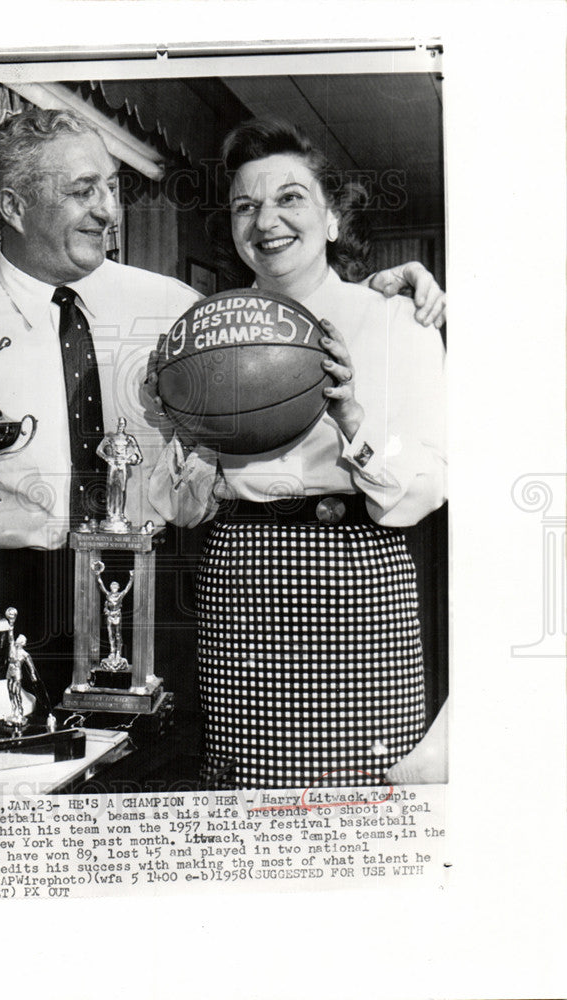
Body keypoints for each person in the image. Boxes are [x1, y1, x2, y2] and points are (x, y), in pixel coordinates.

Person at [0, 107, 446, 704]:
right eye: (83, 192)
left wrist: (378, 295)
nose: (109, 210)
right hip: (2, 594)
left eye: (111, 187)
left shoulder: (175, 307)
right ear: (12, 206)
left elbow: (278, 330)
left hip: (154, 590)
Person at [148, 118, 447, 790]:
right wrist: (179, 425)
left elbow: (425, 489)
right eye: (246, 206)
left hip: (359, 577)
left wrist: (353, 421)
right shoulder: (206, 332)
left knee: (364, 800)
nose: (267, 221)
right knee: (244, 798)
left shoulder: (397, 319)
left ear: (333, 219)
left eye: (290, 199)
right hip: (241, 577)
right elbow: (182, 509)